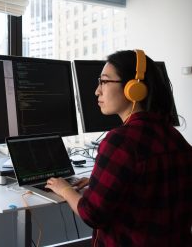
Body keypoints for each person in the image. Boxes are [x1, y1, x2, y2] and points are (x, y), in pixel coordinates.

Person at [45, 50, 192, 246]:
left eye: (104, 81)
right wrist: (104, 181)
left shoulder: (121, 141)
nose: (97, 90)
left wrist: (64, 189)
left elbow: (92, 214)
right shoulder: (175, 137)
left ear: (134, 88)